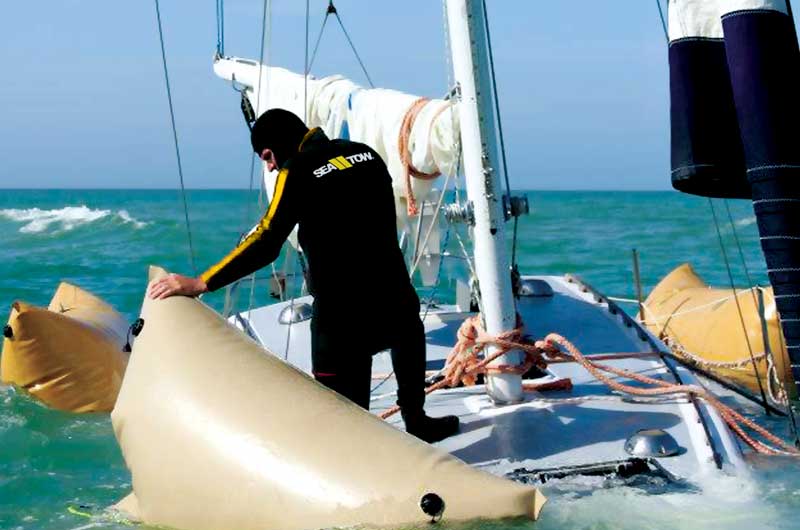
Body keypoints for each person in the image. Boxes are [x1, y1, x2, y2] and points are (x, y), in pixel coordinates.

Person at [148, 108, 459, 443]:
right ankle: (417, 420)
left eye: (267, 156)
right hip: (394, 301)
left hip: (342, 319)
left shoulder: (295, 170)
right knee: (405, 332)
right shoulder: (366, 154)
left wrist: (201, 283)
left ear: (279, 144)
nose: (269, 166)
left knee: (346, 430)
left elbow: (267, 240)